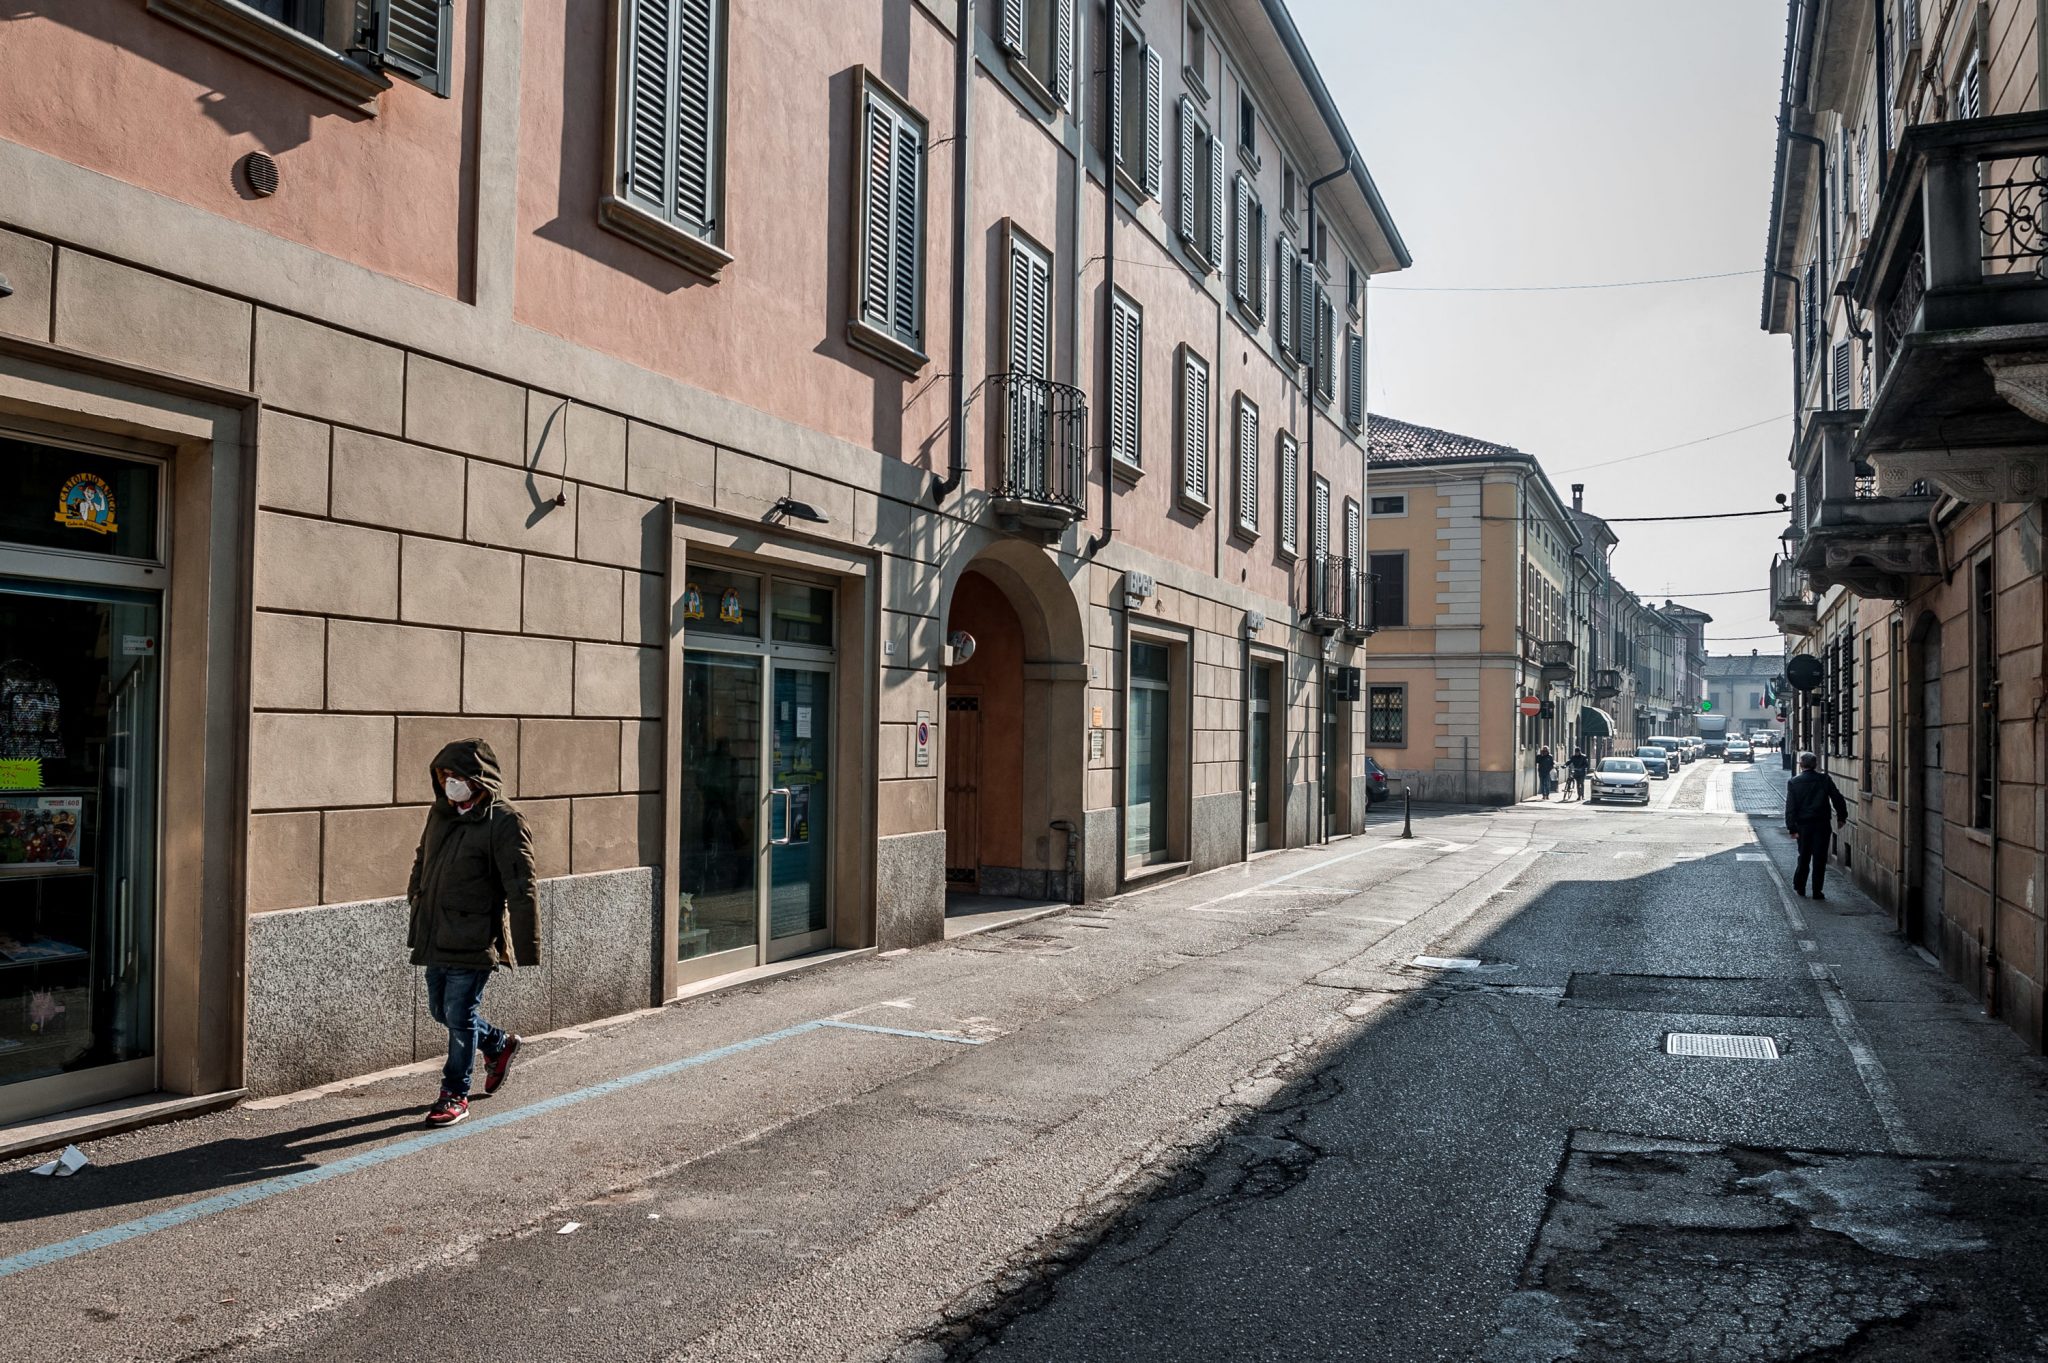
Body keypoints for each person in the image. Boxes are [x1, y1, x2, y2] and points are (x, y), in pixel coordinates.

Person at [408, 738, 540, 1127]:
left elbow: (521, 885)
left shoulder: (504, 821)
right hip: (435, 930)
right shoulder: (441, 814)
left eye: (457, 776)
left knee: (460, 1013)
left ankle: (455, 1094)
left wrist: (527, 944)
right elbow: (423, 856)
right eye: (444, 776)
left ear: (478, 779)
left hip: (474, 933)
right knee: (441, 1010)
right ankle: (500, 1045)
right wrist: (415, 893)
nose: (450, 783)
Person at [1784, 751, 1849, 900]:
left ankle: (1800, 886)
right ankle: (1817, 891)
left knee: (1804, 856)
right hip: (1822, 824)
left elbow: (1790, 808)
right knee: (1820, 859)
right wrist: (1841, 816)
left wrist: (1792, 828)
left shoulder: (1794, 782)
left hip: (1803, 826)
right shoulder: (1824, 779)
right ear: (1815, 765)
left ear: (1801, 765)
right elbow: (1837, 798)